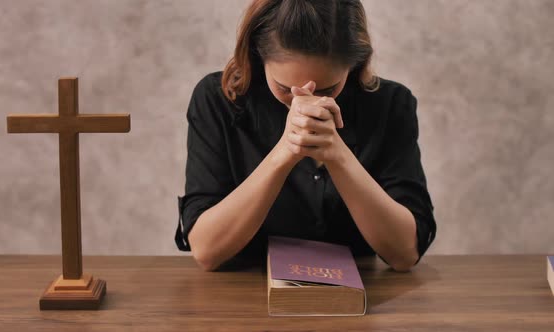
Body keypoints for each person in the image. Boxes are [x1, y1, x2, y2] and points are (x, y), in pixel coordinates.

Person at [175, 0, 436, 272]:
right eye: (285, 88)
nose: (304, 99)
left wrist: (338, 156)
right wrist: (285, 152)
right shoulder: (218, 100)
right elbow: (206, 251)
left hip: (362, 300)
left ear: (354, 65)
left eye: (327, 89)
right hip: (242, 296)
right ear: (258, 56)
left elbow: (405, 253)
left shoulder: (390, 105)